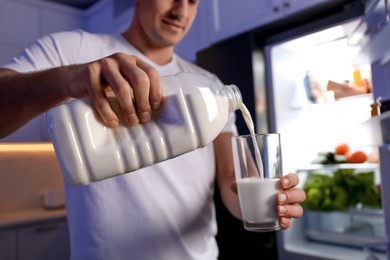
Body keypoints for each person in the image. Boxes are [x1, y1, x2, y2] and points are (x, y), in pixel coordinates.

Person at [0, 0, 306, 259]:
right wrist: (68, 80)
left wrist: (267, 203)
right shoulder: (72, 50)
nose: (180, 11)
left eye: (193, 1)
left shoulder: (210, 84)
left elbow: (231, 179)